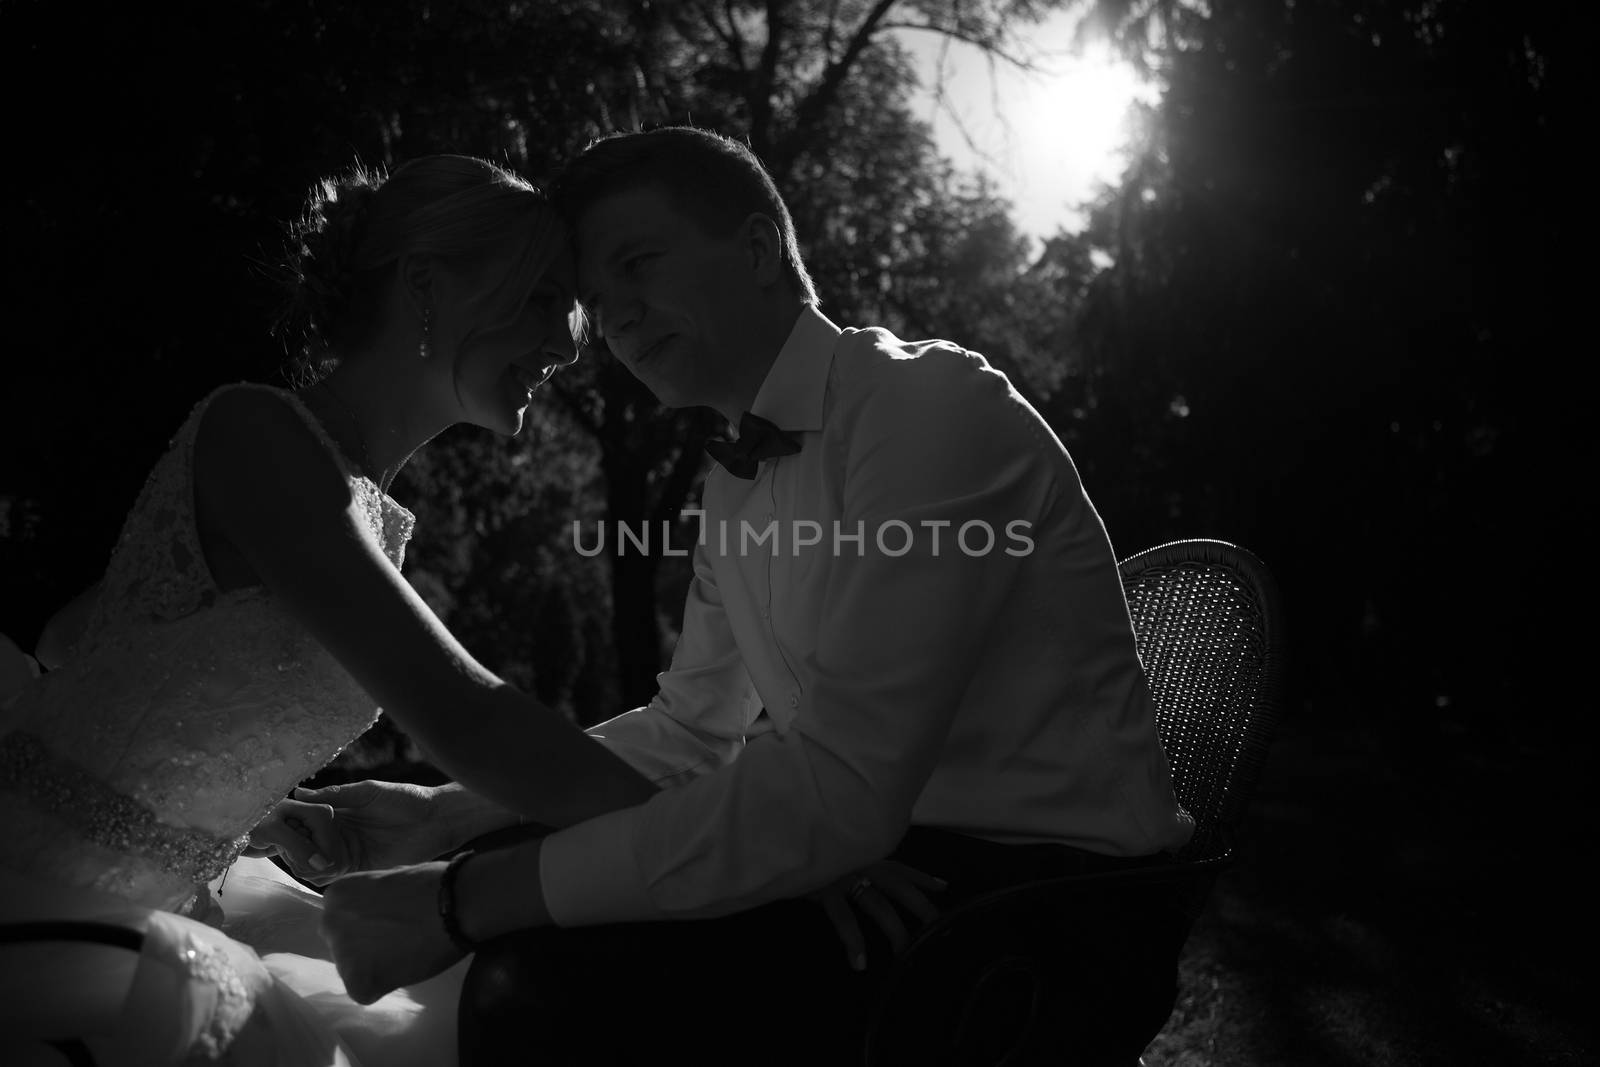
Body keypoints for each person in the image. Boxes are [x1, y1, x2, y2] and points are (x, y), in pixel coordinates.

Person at [311, 127, 1197, 1065]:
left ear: (760, 245)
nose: (619, 320)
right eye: (600, 302)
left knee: (535, 987)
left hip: (1048, 908)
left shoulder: (927, 406)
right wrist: (446, 814)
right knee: (544, 918)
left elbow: (843, 791)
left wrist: (465, 896)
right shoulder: (732, 481)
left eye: (638, 263)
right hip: (888, 858)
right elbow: (692, 728)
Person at [0, 153, 658, 1066]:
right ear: (426, 285)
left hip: (153, 901)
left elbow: (76, 636)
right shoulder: (260, 433)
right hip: (44, 910)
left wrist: (203, 800)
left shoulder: (368, 510)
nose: (572, 340)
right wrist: (703, 838)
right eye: (545, 297)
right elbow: (466, 713)